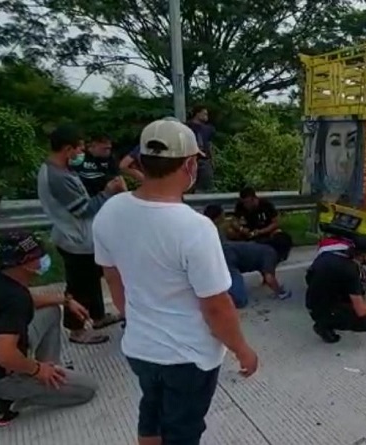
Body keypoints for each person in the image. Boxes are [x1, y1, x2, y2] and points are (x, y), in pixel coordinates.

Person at [92, 118, 259, 445]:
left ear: (142, 161)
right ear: (189, 164)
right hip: (188, 358)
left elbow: (113, 279)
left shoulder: (111, 211)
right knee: (182, 430)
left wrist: (137, 320)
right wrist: (242, 349)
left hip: (140, 349)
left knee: (151, 412)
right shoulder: (194, 228)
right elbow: (216, 306)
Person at [0, 232, 98, 426]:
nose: (42, 260)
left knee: (50, 311)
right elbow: (3, 353)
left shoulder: (5, 283)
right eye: (37, 257)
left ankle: (51, 370)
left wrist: (66, 301)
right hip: (3, 374)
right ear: (23, 264)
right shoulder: (15, 299)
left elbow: (27, 301)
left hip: (8, 355)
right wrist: (36, 370)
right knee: (87, 390)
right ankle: (9, 401)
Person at [37, 124, 126, 345]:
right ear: (67, 149)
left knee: (93, 278)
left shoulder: (61, 169)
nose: (81, 154)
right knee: (79, 286)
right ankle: (76, 329)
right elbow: (82, 209)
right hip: (74, 239)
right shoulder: (58, 177)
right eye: (79, 149)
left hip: (82, 237)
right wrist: (108, 192)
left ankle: (98, 316)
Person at [305, 234, 366, 343]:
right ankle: (324, 325)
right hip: (321, 310)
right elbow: (361, 311)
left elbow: (309, 277)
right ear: (363, 255)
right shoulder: (350, 271)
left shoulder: (330, 253)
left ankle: (327, 314)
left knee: (357, 292)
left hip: (311, 301)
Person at [203, 204, 292, 306]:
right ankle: (219, 300)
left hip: (229, 250)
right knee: (240, 300)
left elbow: (265, 270)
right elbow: (269, 276)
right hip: (230, 255)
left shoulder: (263, 248)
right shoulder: (270, 253)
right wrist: (280, 292)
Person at [232, 186, 293, 261]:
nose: (245, 205)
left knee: (283, 237)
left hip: (266, 231)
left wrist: (261, 231)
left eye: (247, 203)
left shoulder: (266, 205)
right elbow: (234, 221)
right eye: (244, 203)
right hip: (249, 233)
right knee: (231, 232)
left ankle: (279, 255)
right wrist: (241, 229)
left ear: (254, 199)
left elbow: (275, 223)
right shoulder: (240, 206)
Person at [187, 105, 216, 193]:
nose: (206, 116)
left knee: (207, 184)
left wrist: (212, 159)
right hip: (191, 158)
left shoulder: (208, 129)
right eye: (204, 114)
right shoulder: (188, 126)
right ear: (197, 114)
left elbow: (209, 144)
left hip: (204, 159)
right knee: (190, 184)